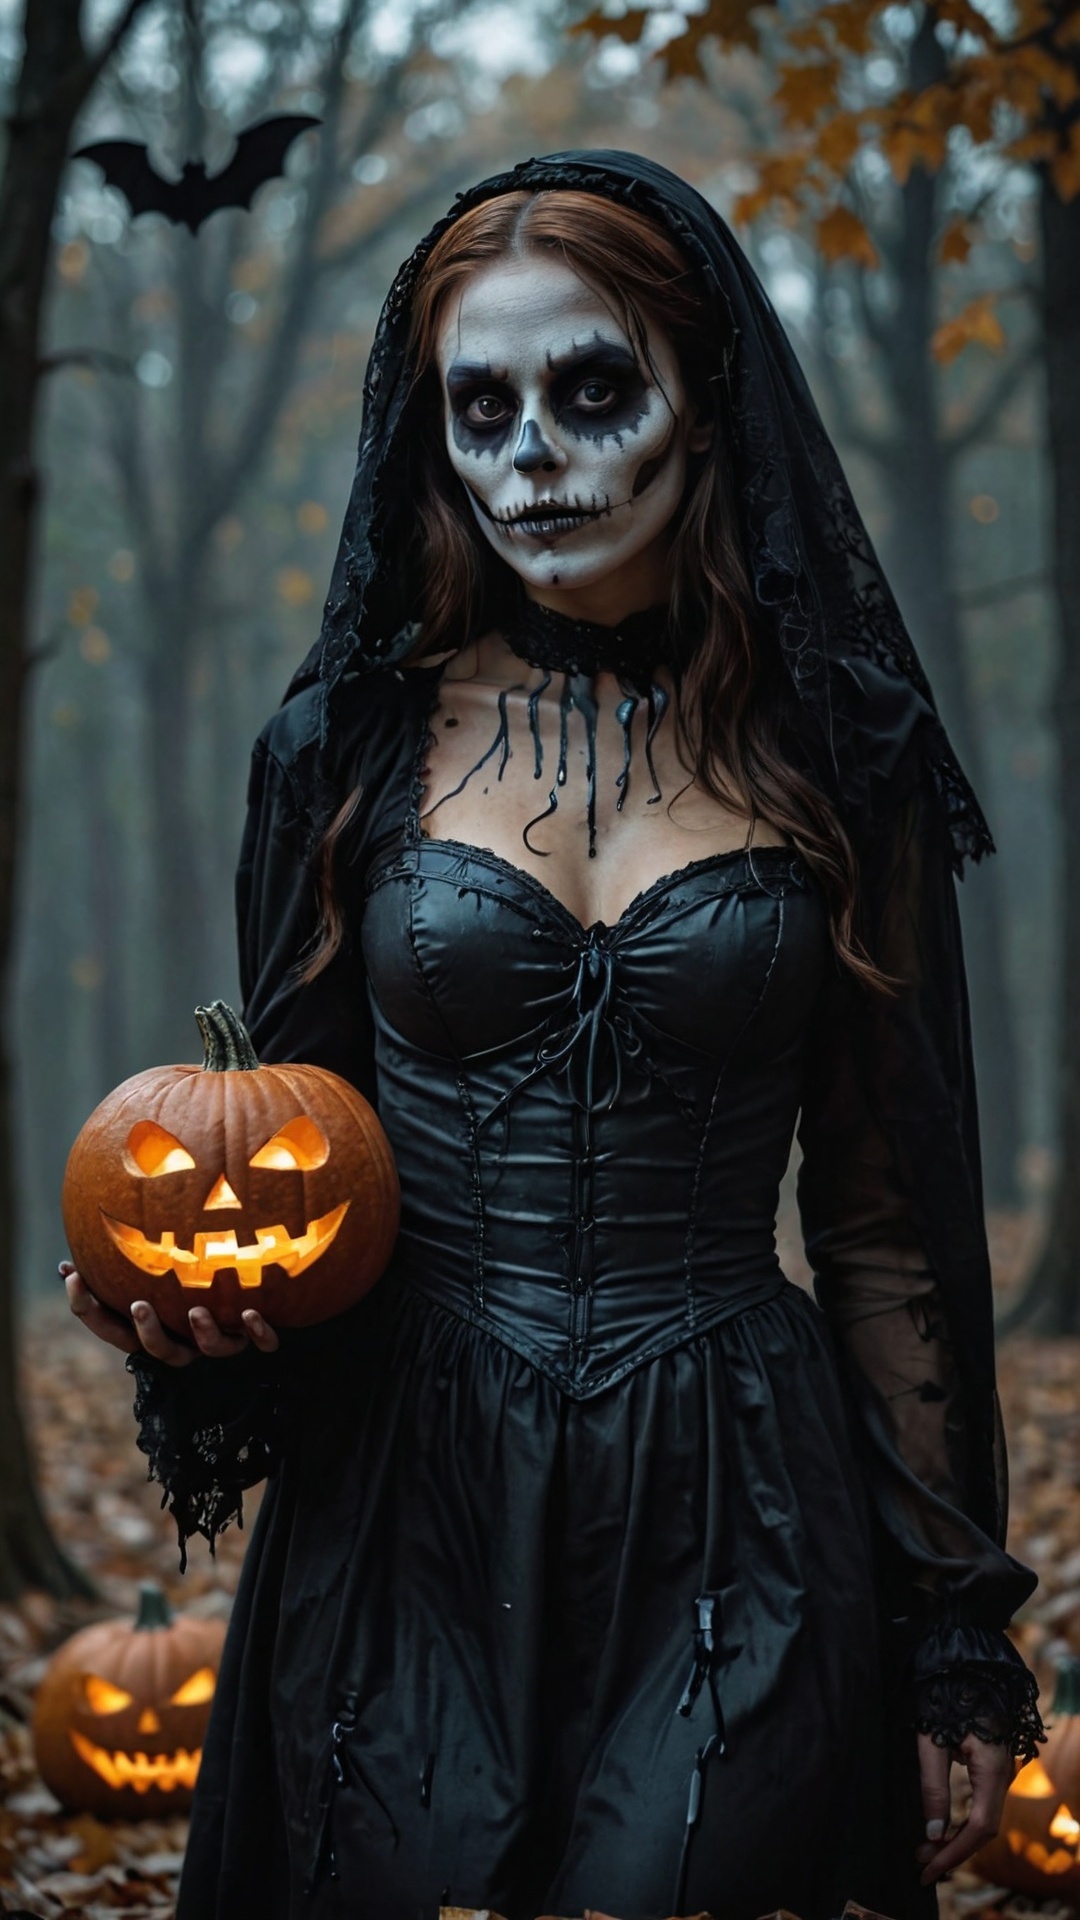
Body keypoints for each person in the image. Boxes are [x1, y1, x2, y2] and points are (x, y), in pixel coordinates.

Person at [63, 153, 1043, 1920]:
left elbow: (895, 1219)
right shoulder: (339, 760)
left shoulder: (845, 754)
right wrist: (212, 1345)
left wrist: (953, 1627)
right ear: (428, 435)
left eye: (594, 390)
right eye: (480, 406)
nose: (533, 454)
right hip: (407, 1502)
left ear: (703, 395)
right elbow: (306, 1156)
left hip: (739, 1486)